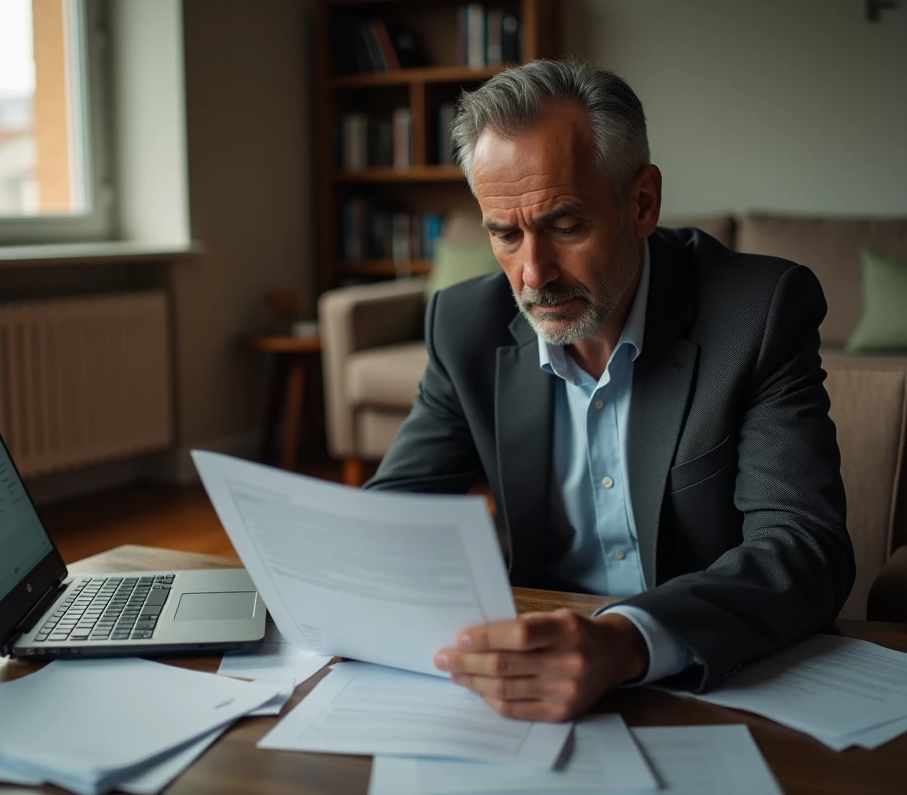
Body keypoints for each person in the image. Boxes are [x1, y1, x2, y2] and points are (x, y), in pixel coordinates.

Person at [364, 59, 855, 722]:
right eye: (505, 234)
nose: (533, 273)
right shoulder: (465, 326)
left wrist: (627, 641)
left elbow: (803, 546)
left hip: (707, 675)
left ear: (642, 202)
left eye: (565, 224)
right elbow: (392, 518)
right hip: (526, 688)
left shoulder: (758, 311)